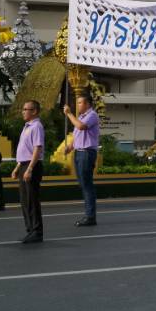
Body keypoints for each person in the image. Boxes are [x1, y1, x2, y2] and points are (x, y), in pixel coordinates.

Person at [63, 93, 100, 227]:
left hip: (87, 153)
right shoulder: (81, 117)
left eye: (80, 103)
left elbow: (81, 127)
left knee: (87, 184)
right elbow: (77, 134)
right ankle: (89, 214)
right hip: (79, 152)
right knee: (83, 184)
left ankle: (90, 216)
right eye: (77, 102)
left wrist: (69, 114)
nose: (78, 105)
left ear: (87, 104)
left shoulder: (92, 115)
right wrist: (70, 146)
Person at [16, 100, 46, 244]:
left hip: (31, 166)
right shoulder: (27, 127)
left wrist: (29, 169)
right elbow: (25, 149)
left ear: (34, 111)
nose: (23, 112)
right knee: (24, 200)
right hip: (24, 165)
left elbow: (37, 149)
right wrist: (17, 167)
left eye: (25, 109)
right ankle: (30, 230)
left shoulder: (36, 126)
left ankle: (37, 232)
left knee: (32, 200)